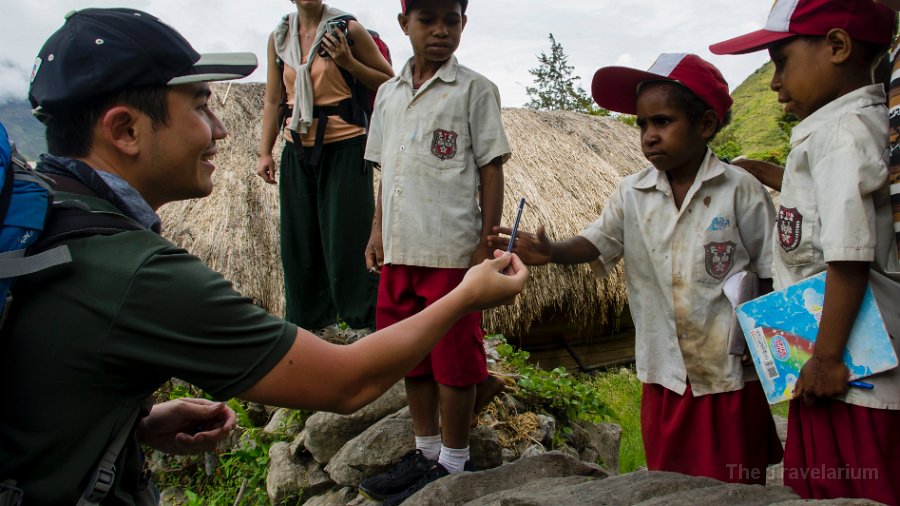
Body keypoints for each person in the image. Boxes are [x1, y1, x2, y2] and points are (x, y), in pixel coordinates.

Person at [0, 8, 527, 505]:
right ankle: (431, 453)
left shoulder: (46, 221)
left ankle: (449, 458)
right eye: (202, 107)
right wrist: (468, 296)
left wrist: (136, 422)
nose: (222, 129)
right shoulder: (138, 273)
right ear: (125, 130)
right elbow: (347, 381)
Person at [489, 53, 784, 485]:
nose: (649, 136)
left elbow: (770, 273)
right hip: (664, 372)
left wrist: (771, 359)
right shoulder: (632, 192)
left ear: (704, 124)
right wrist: (553, 251)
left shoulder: (740, 191)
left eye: (662, 121)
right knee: (669, 485)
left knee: (735, 486)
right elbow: (596, 241)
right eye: (642, 125)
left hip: (728, 374)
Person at [710, 0, 900, 503]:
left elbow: (847, 255)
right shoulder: (837, 132)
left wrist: (827, 357)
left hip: (851, 373)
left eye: (780, 61)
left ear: (836, 46)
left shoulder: (841, 135)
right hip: (827, 360)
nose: (773, 82)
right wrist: (773, 175)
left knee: (849, 486)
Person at [357, 0, 510, 503]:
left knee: (454, 361)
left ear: (464, 24)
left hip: (450, 251)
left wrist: (485, 246)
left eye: (452, 19)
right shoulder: (387, 95)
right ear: (405, 25)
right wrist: (377, 231)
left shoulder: (475, 90)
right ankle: (425, 452)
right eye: (427, 20)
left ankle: (454, 461)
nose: (441, 30)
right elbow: (385, 172)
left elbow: (491, 168)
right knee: (411, 356)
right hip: (401, 250)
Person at [255, 0, 394, 341]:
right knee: (299, 239)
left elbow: (390, 81)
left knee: (348, 235)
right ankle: (310, 325)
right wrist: (265, 152)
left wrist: (348, 61)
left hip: (345, 145)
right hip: (297, 148)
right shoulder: (280, 37)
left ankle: (366, 324)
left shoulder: (348, 29)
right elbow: (274, 99)